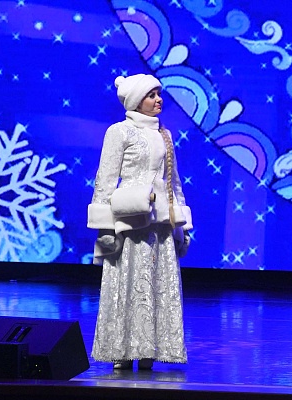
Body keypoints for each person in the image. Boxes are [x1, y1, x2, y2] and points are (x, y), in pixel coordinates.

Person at [87, 74, 192, 370]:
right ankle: (121, 351)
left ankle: (148, 350)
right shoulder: (119, 131)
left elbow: (173, 183)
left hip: (160, 225)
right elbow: (105, 179)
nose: (159, 100)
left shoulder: (165, 134)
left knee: (157, 286)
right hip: (130, 222)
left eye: (159, 94)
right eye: (151, 95)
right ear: (136, 100)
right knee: (128, 283)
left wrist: (182, 224)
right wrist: (105, 227)